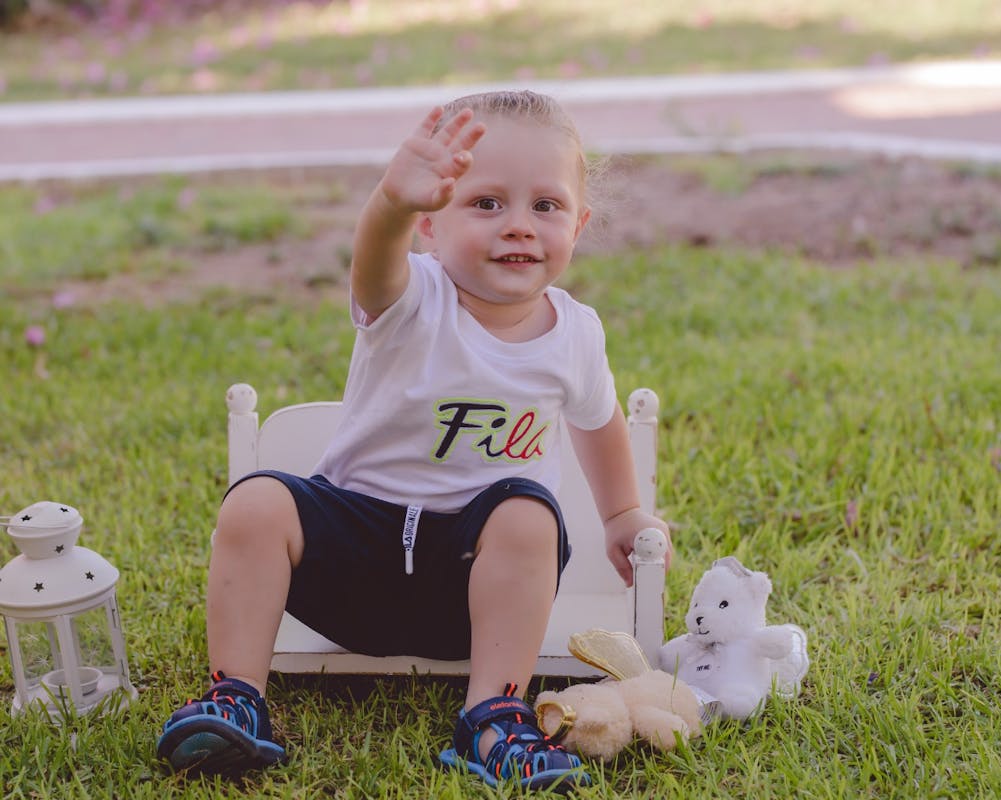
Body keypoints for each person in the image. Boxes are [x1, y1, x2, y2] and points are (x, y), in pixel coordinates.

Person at [154, 89, 671, 791]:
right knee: (255, 502)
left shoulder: (575, 333)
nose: (518, 226)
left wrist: (621, 515)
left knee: (525, 511)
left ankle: (492, 718)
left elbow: (599, 418)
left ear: (577, 224)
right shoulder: (412, 299)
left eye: (544, 207)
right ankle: (235, 698)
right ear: (430, 223)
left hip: (470, 596)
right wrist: (388, 206)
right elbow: (373, 265)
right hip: (353, 566)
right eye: (486, 203)